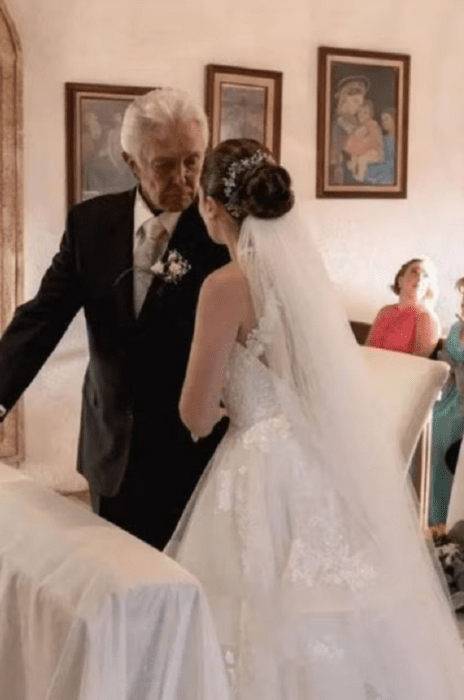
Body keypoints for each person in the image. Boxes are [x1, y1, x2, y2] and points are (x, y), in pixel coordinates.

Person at [165, 138, 464, 699]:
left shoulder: (224, 287)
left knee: (250, 615)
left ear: (210, 206)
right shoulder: (308, 279)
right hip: (318, 456)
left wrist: (220, 412)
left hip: (257, 462)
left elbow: (195, 411)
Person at [0, 88, 229, 550]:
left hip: (195, 452)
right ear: (131, 162)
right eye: (165, 164)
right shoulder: (91, 223)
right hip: (111, 449)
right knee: (116, 585)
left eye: (193, 161)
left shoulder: (222, 232)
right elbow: (42, 317)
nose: (185, 179)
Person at [430, 277, 464, 525]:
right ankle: (432, 518)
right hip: (449, 394)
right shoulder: (454, 328)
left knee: (451, 432)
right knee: (431, 427)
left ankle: (450, 520)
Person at [365, 257, 441, 357]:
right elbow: (368, 349)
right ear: (400, 281)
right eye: (415, 271)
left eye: (426, 276)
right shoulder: (385, 311)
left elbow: (418, 362)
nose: (420, 278)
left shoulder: (427, 318)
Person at [343, 100, 384, 182]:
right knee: (353, 158)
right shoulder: (356, 128)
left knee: (362, 158)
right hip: (360, 151)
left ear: (370, 115)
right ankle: (353, 174)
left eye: (365, 113)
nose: (362, 115)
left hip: (373, 152)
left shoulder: (372, 125)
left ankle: (360, 177)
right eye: (360, 112)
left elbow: (374, 142)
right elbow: (349, 144)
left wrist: (360, 150)